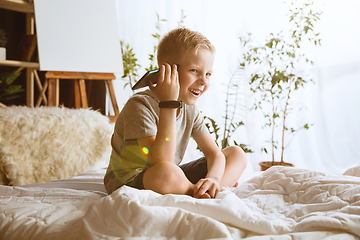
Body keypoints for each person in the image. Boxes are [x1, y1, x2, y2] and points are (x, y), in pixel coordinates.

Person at [104, 28, 247, 198]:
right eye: (194, 71)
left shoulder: (189, 108)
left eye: (208, 74)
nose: (203, 81)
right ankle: (198, 192)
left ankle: (209, 189)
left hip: (171, 173)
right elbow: (160, 161)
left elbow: (214, 153)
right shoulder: (140, 105)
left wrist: (214, 178)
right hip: (133, 179)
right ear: (167, 71)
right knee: (167, 172)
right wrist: (168, 104)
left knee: (236, 154)